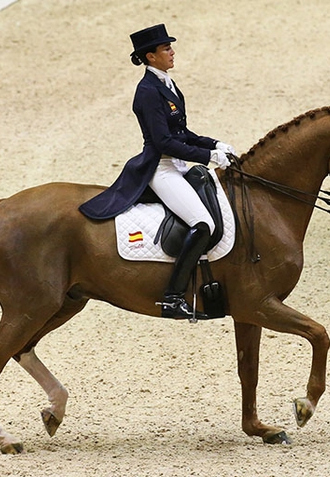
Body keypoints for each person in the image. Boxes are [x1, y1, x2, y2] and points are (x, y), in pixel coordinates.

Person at [79, 23, 236, 319]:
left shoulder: (168, 85)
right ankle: (173, 296)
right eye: (166, 48)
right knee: (203, 224)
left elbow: (182, 132)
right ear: (150, 56)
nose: (172, 52)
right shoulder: (147, 92)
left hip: (177, 164)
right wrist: (208, 156)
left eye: (170, 47)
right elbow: (164, 142)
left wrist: (215, 143)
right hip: (160, 168)